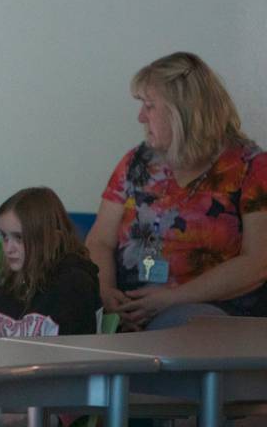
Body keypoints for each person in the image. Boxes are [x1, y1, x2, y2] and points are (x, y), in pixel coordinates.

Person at [86, 52, 267, 332]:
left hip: (207, 312)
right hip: (129, 305)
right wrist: (106, 292)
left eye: (149, 106)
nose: (140, 117)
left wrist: (171, 299)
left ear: (182, 111)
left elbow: (257, 263)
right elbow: (99, 241)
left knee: (180, 327)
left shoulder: (251, 168)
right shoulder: (136, 162)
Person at [0, 187, 101, 338]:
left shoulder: (74, 285)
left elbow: (68, 356)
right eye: (4, 236)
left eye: (19, 238)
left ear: (51, 239)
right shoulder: (14, 283)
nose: (8, 249)